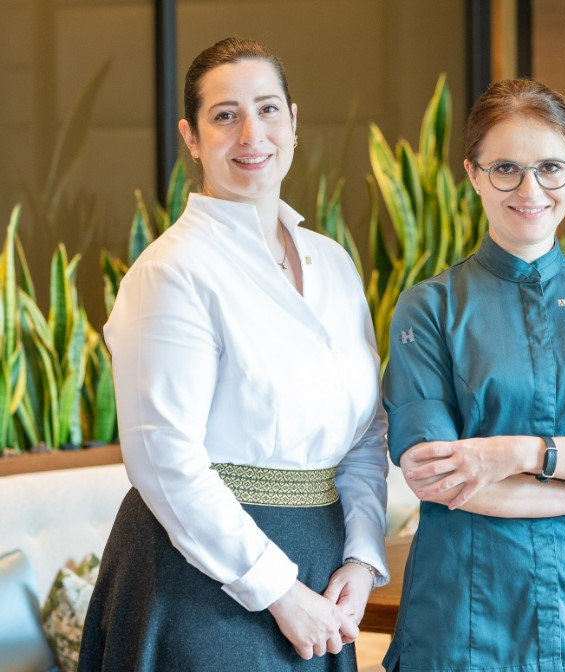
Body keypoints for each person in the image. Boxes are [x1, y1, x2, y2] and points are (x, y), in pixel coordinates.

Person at [79, 37, 389, 671]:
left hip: (324, 573)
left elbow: (365, 434)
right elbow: (165, 461)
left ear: (294, 122)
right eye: (225, 115)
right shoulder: (171, 271)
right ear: (192, 137)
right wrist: (278, 591)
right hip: (200, 581)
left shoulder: (333, 263)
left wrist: (360, 556)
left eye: (268, 109)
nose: (252, 133)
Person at [380, 78, 565, 672]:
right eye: (505, 169)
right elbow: (437, 476)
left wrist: (520, 453)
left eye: (550, 167)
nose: (530, 189)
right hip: (466, 620)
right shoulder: (430, 307)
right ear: (472, 174)